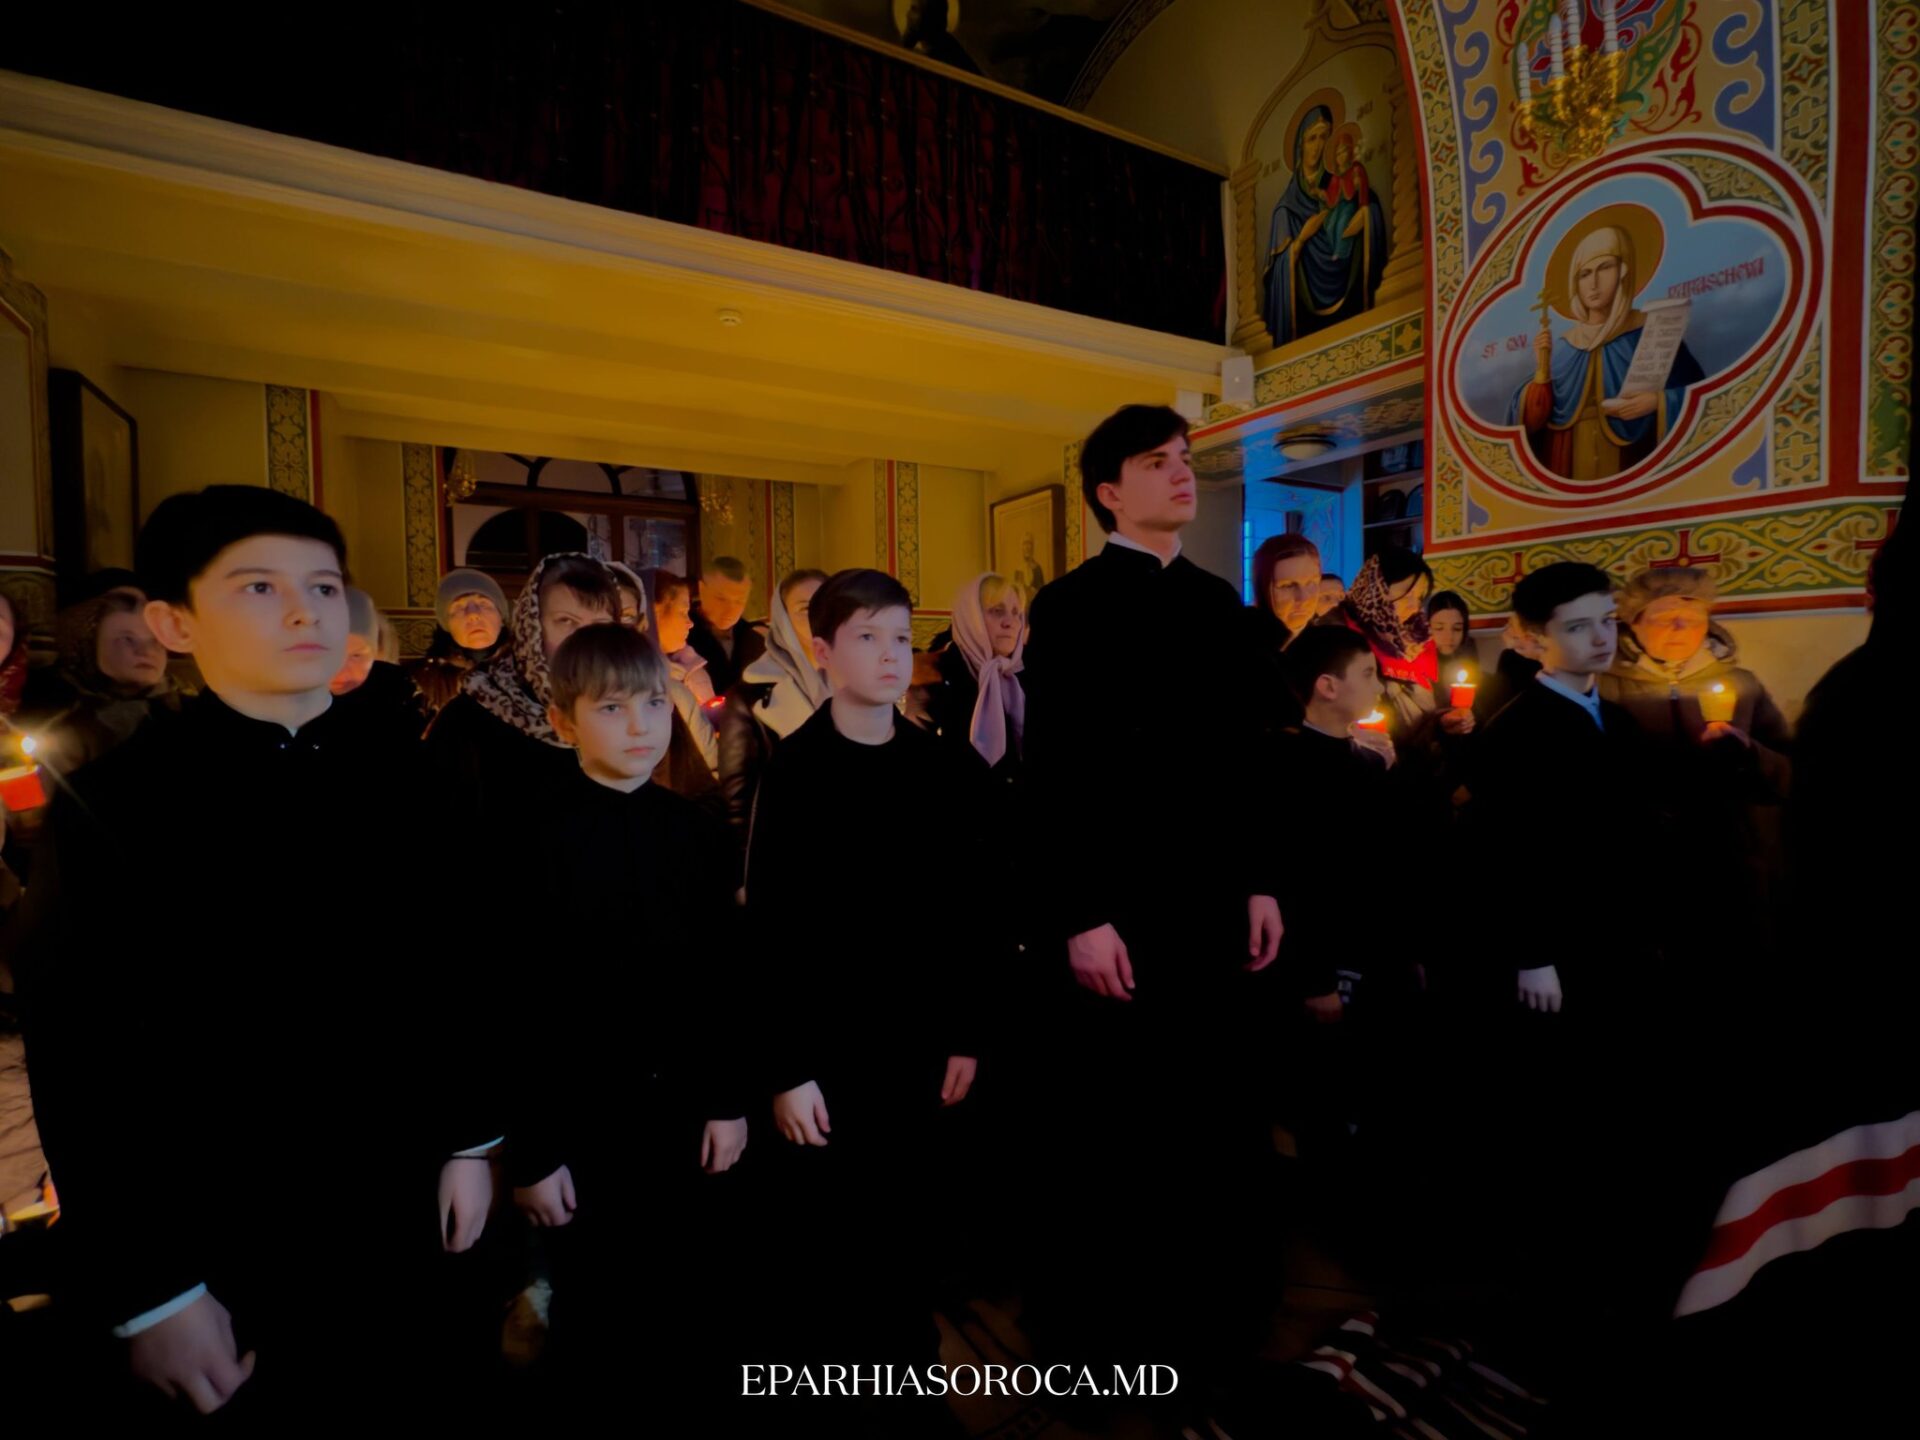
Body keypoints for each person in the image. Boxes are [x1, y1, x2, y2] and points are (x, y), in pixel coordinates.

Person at [14, 486, 497, 1421]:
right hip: (223, 1220)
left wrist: (471, 1139)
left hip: (406, 1190)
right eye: (258, 587)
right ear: (175, 623)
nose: (303, 612)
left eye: (323, 587)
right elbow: (82, 1047)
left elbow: (463, 966)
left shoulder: (415, 774)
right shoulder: (119, 802)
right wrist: (155, 1288)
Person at [1020, 405, 1281, 1406]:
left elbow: (1247, 763)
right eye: (1156, 462)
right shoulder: (1070, 607)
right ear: (1108, 492)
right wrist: (1079, 914)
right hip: (1118, 911)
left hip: (1211, 901)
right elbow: (1055, 776)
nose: (1182, 474)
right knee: (1115, 1130)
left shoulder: (1219, 603)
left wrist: (1260, 878)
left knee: (1213, 1118)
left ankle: (1213, 1330)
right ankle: (1106, 1349)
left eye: (1185, 459)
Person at [744, 569, 989, 1434]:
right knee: (833, 1238)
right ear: (822, 651)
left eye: (900, 638)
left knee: (912, 1227)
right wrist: (787, 1069)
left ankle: (911, 1386)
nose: (890, 656)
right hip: (829, 1049)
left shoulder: (941, 767)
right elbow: (771, 929)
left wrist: (966, 1032)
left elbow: (970, 914)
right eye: (866, 638)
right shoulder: (797, 770)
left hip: (919, 1040)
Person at [506, 622, 749, 1418]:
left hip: (684, 1111)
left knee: (692, 1299)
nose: (641, 725)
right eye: (612, 708)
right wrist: (535, 1152)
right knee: (596, 1312)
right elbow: (516, 1005)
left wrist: (726, 1099)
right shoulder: (530, 836)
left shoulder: (695, 830)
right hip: (584, 1124)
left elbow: (721, 980)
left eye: (651, 703)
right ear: (563, 719)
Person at [1601, 566, 1791, 948]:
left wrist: (1748, 752)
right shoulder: (1603, 686)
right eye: (1664, 617)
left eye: (1693, 618)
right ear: (1634, 623)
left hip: (1726, 857)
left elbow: (1788, 768)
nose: (1680, 627)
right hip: (1638, 859)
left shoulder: (1742, 684)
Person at [424, 552, 623, 830]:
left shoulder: (632, 710)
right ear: (532, 627)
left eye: (600, 625)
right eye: (566, 621)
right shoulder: (467, 723)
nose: (584, 639)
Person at [1509, 210, 1707, 481]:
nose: (1593, 283)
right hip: (1569, 464)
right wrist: (1542, 370)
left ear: (1624, 271)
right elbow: (1533, 421)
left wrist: (1657, 402)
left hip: (1634, 461)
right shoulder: (1565, 346)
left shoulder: (1652, 331)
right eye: (1584, 274)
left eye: (1604, 268)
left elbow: (1698, 395)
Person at [715, 568, 829, 858]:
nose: (819, 616)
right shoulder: (751, 694)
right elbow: (738, 800)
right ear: (783, 619)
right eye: (805, 609)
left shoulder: (855, 684)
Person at [1263, 103, 1386, 346]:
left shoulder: (1337, 181)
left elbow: (1363, 200)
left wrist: (1367, 214)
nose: (1318, 146)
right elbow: (1277, 273)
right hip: (1304, 319)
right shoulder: (1285, 209)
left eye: (1323, 137)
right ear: (1300, 144)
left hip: (1351, 297)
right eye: (1312, 139)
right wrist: (1302, 238)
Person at [34, 588, 182, 777]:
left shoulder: (187, 708)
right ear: (88, 645)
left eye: (156, 640)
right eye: (127, 639)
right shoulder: (60, 729)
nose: (146, 651)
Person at [920, 572, 1026, 776]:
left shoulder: (1025, 675)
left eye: (1016, 613)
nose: (1010, 622)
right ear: (971, 617)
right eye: (997, 611)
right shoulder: (935, 675)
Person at [1334, 546, 1439, 745]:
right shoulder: (1339, 637)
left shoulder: (1416, 639)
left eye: (1419, 597)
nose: (1414, 606)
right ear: (1377, 589)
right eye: (1407, 594)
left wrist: (1443, 722)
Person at [1248, 533, 1323, 732]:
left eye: (1312, 583)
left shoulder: (1327, 645)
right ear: (1263, 588)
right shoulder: (1241, 643)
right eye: (1287, 586)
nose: (1303, 597)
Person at [411, 569, 508, 721]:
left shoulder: (528, 670)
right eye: (459, 608)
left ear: (501, 617)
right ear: (446, 625)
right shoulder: (424, 682)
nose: (473, 614)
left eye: (483, 604)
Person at [687, 556, 765, 696]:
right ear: (701, 589)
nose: (731, 610)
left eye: (739, 601)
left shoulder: (755, 637)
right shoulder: (681, 634)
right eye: (721, 599)